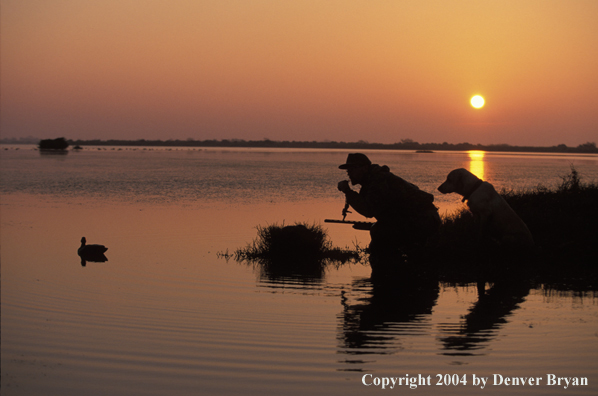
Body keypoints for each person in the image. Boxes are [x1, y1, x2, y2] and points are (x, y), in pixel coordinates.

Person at [337, 153, 440, 273]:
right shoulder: (373, 179)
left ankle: (387, 278)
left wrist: (348, 192)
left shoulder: (378, 181)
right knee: (380, 234)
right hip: (422, 219)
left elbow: (368, 210)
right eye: (347, 170)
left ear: (364, 168)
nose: (348, 173)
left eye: (351, 169)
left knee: (379, 236)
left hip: (423, 220)